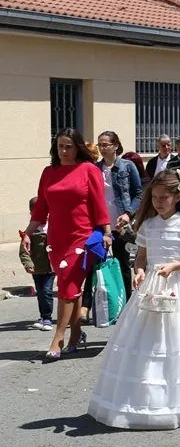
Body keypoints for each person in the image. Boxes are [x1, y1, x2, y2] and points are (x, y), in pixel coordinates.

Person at [87, 169, 180, 429]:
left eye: (164, 197)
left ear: (177, 197)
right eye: (154, 197)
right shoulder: (147, 225)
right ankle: (144, 397)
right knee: (149, 341)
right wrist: (139, 271)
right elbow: (142, 256)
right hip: (152, 284)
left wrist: (174, 267)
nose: (158, 202)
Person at [22, 128, 111, 359]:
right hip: (56, 239)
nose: (63, 151)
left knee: (67, 287)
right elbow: (42, 206)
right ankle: (76, 334)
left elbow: (98, 203)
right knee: (69, 286)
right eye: (60, 146)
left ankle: (58, 337)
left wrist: (107, 232)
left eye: (68, 146)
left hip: (82, 236)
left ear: (77, 147)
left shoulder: (88, 170)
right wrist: (28, 233)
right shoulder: (49, 172)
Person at [94, 131, 143, 302]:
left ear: (115, 146)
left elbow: (139, 194)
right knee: (96, 264)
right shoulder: (95, 168)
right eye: (99, 144)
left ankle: (127, 302)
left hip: (121, 225)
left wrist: (128, 214)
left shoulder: (127, 166)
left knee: (122, 263)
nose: (102, 148)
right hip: (100, 225)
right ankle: (96, 304)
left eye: (105, 144)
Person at [20, 197, 54, 331]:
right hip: (37, 267)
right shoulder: (30, 230)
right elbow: (23, 250)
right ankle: (43, 316)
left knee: (46, 291)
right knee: (40, 293)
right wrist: (27, 263)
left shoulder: (52, 226)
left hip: (51, 267)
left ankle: (47, 318)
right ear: (31, 213)